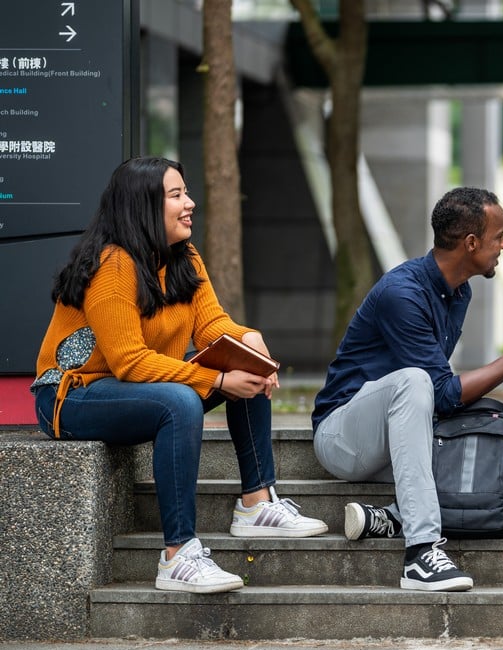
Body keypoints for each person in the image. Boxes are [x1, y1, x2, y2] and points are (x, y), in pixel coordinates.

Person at [31, 156, 328, 595]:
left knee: (239, 359)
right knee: (183, 400)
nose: (190, 203)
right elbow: (129, 362)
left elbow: (213, 327)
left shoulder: (183, 256)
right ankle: (178, 554)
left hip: (132, 388)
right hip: (74, 396)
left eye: (186, 193)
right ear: (144, 206)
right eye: (177, 196)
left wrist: (249, 339)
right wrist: (217, 383)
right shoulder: (113, 266)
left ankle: (257, 503)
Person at [312, 186, 503, 593]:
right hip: (345, 438)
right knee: (414, 381)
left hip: (407, 438)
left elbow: (442, 399)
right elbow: (441, 391)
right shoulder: (402, 293)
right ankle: (420, 553)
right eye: (498, 236)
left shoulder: (459, 291)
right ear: (471, 243)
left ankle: (392, 517)